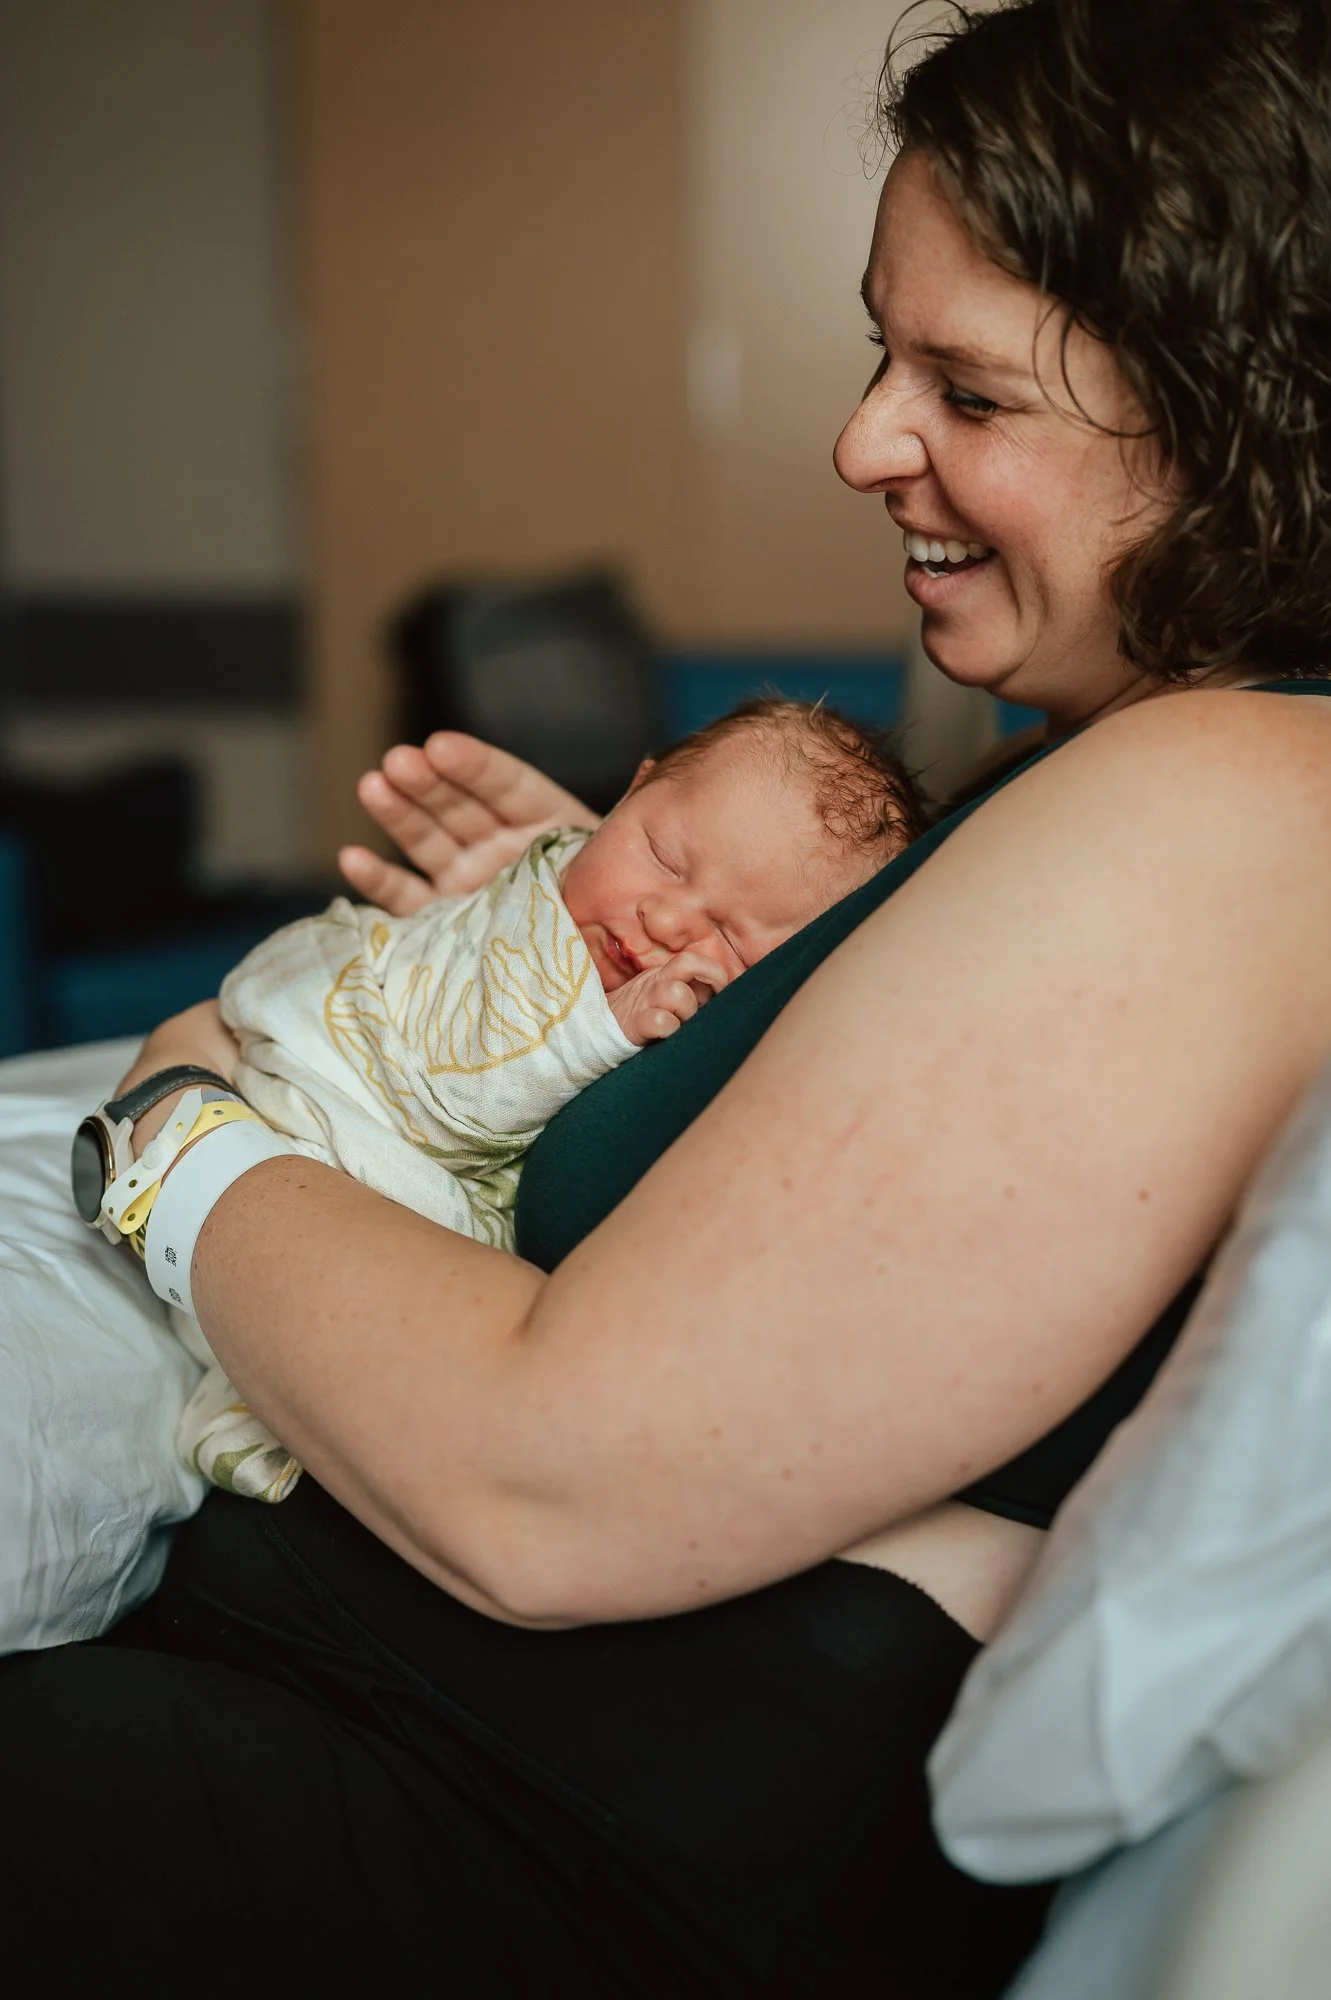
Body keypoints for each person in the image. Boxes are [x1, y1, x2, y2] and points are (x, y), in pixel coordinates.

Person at [6, 2, 1331, 1992]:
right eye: (876, 350)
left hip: (481, 1821)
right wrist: (660, 939)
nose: (861, 440)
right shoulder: (1130, 773)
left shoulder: (1224, 797)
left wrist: (176, 1138)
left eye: (964, 391)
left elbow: (550, 1491)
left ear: (1240, 423)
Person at [157, 699, 923, 1502]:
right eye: (662, 856)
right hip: (323, 1079)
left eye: (733, 937)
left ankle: (259, 1396)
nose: (663, 920)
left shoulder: (721, 1035)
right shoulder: (541, 898)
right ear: (630, 793)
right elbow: (458, 1082)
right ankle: (253, 1383)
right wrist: (597, 1027)